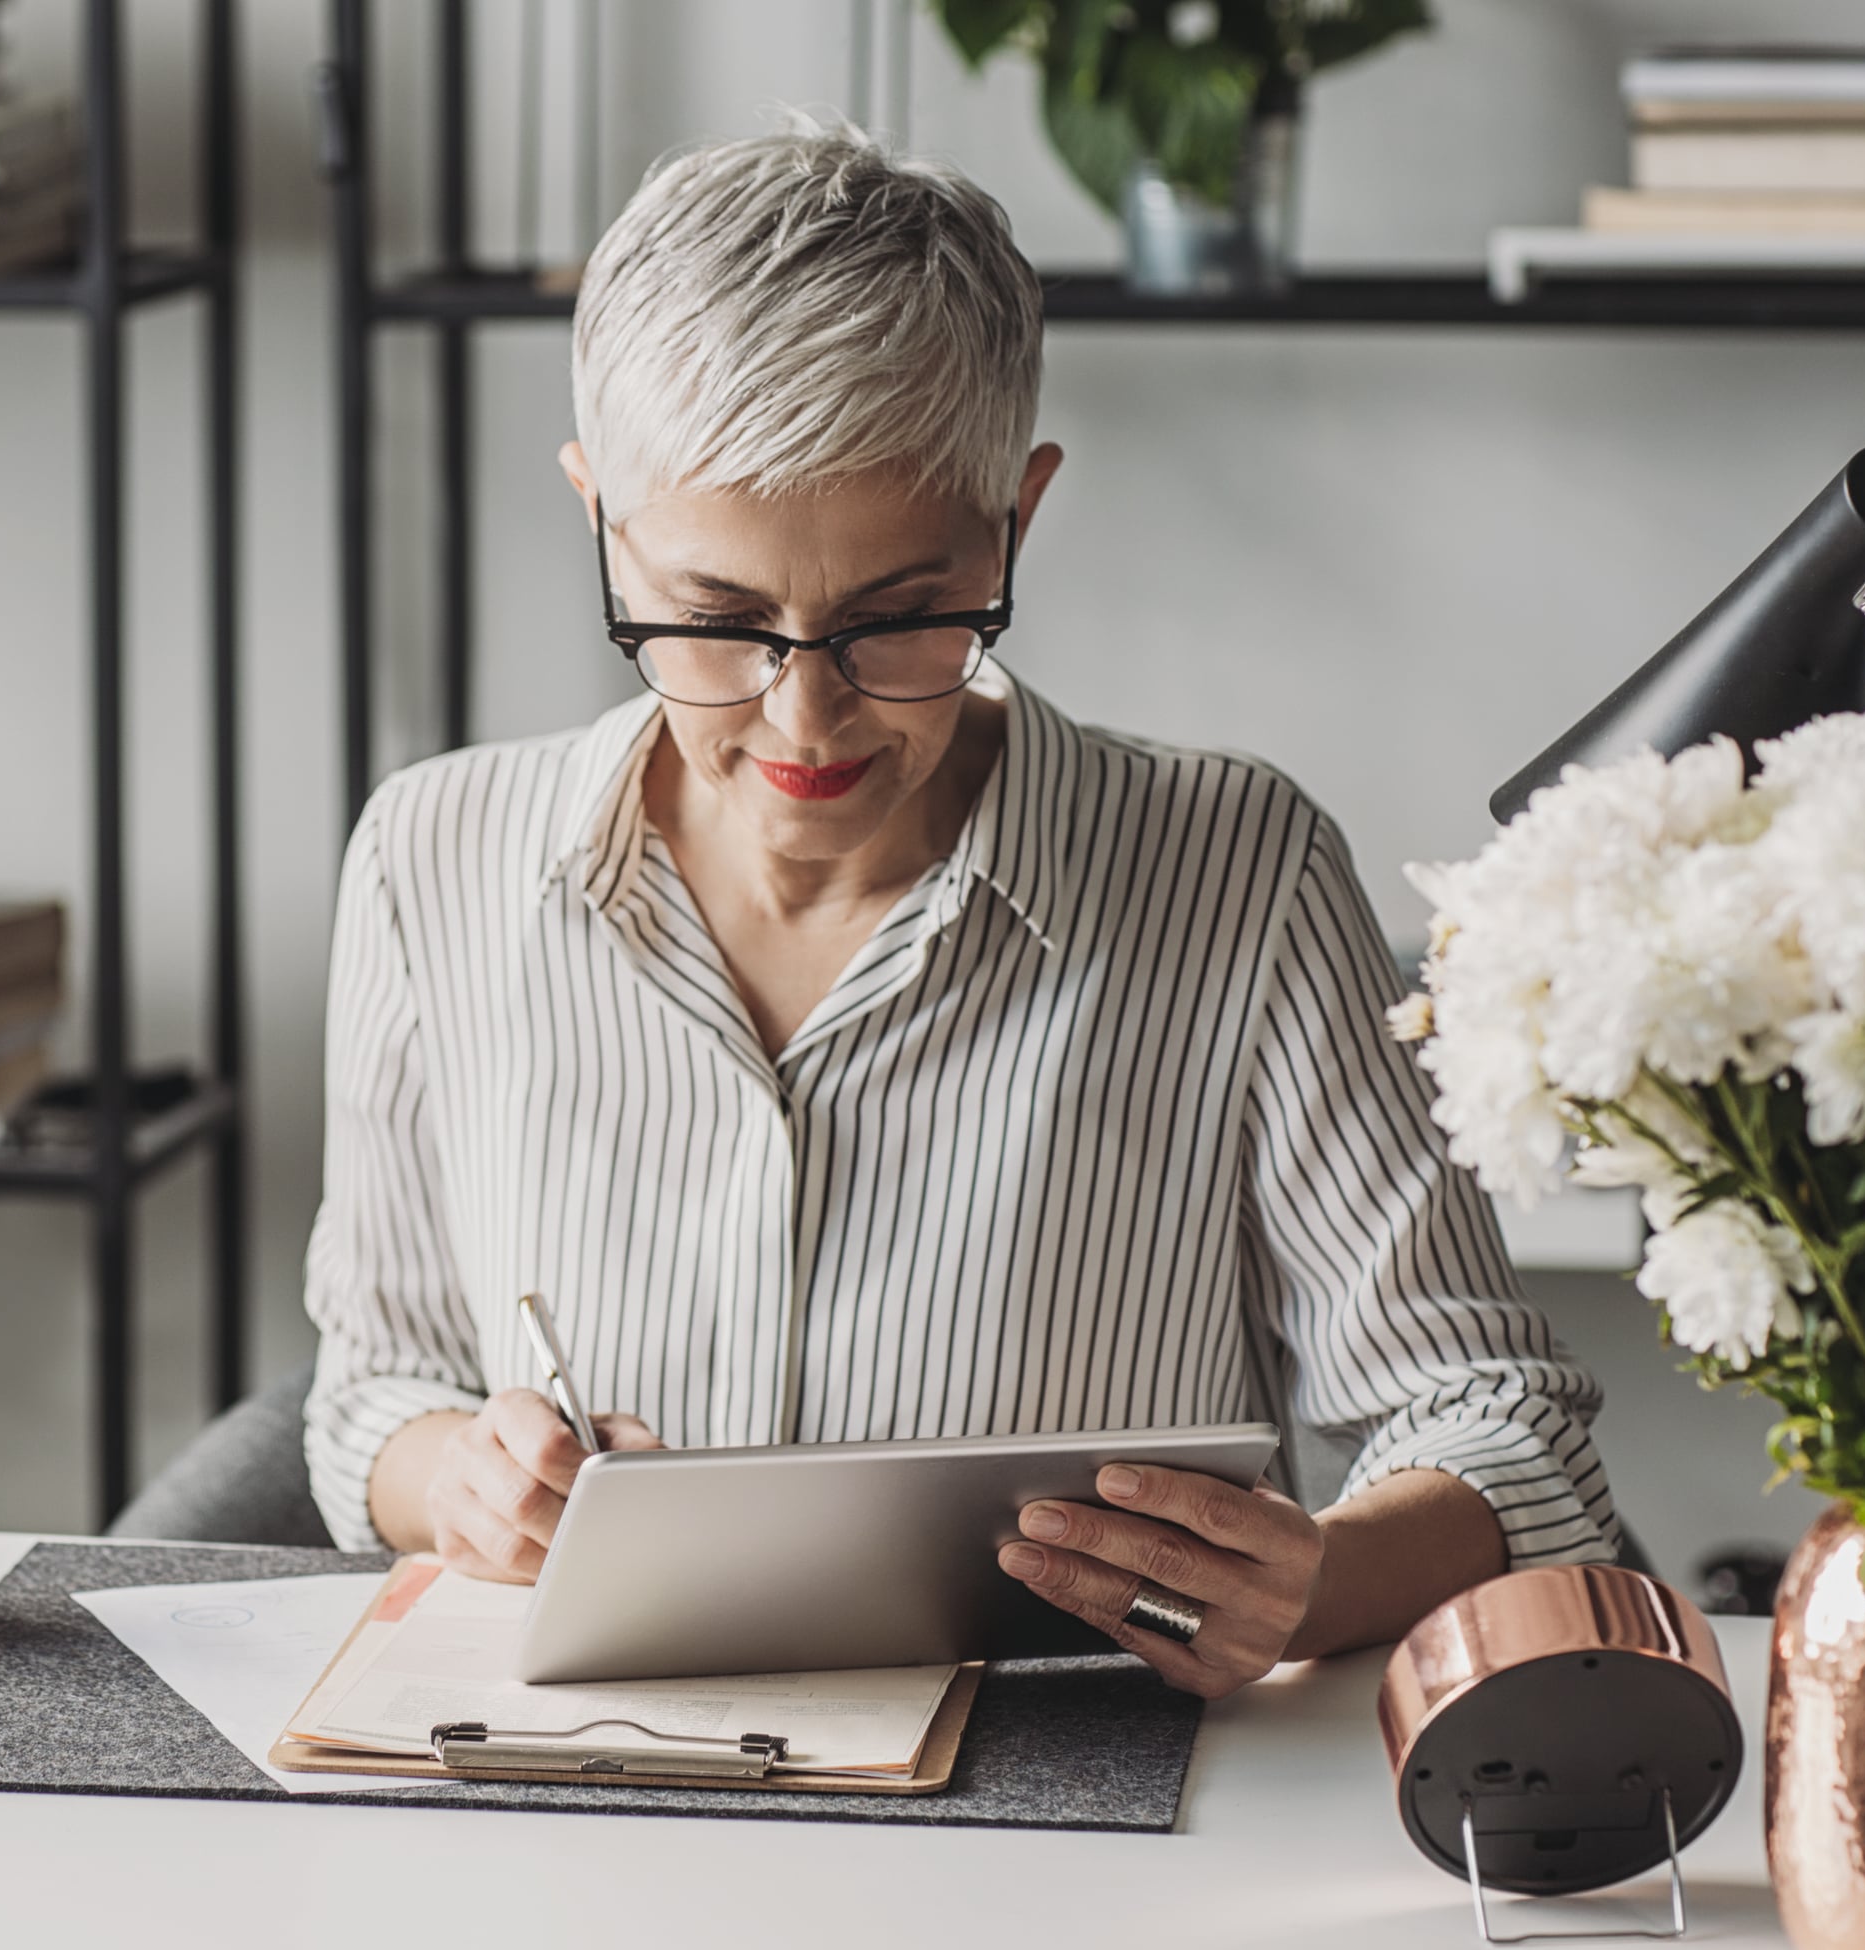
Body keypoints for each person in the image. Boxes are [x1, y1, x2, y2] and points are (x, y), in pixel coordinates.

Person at [300, 122, 1615, 1700]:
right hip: (589, 1798)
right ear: (601, 519)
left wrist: (1323, 1579)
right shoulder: (428, 858)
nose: (805, 718)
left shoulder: (1236, 871)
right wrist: (456, 1475)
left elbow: (1499, 1423)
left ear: (1015, 522)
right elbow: (366, 1394)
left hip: (1079, 1799)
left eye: (898, 619)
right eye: (715, 621)